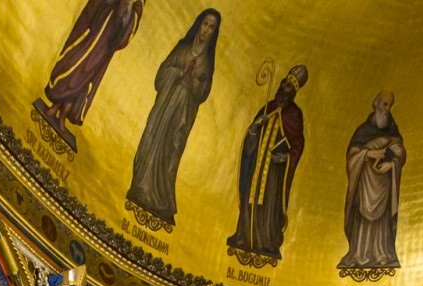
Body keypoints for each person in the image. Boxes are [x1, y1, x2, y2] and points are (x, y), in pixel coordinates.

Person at [126, 10, 220, 228]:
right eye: (205, 24)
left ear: (214, 32)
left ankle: (161, 200)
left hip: (181, 117)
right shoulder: (182, 48)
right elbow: (161, 75)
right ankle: (140, 187)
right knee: (151, 141)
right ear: (199, 24)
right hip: (163, 110)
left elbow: (203, 93)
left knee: (171, 152)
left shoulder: (207, 63)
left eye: (211, 27)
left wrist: (192, 83)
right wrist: (179, 73)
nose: (206, 30)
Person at [33, 0, 145, 150]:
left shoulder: (139, 3)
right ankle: (55, 106)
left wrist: (128, 9)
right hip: (92, 29)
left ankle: (64, 113)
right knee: (74, 64)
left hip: (106, 42)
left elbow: (132, 24)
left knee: (87, 78)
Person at [227, 66, 308, 264]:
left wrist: (286, 157)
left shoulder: (294, 114)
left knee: (269, 204)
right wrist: (254, 128)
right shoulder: (268, 107)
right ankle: (243, 236)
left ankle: (266, 243)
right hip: (257, 165)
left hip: (274, 171)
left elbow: (298, 144)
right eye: (284, 82)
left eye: (289, 86)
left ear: (293, 91)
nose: (284, 86)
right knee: (251, 198)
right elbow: (251, 136)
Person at [339, 91, 406, 271]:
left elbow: (399, 151)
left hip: (384, 182)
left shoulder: (392, 130)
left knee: (382, 219)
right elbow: (352, 156)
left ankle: (383, 254)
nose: (387, 109)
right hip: (365, 182)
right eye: (384, 104)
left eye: (389, 105)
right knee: (362, 216)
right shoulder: (362, 131)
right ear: (375, 104)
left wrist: (392, 164)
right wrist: (367, 154)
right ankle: (359, 253)